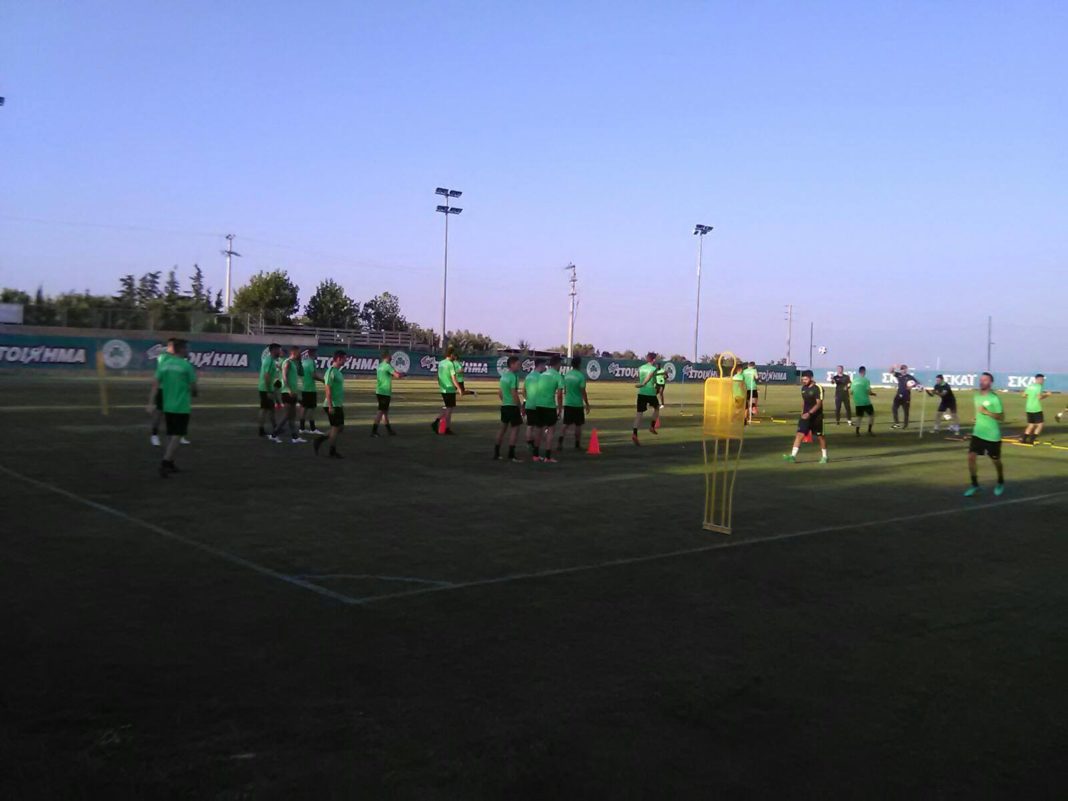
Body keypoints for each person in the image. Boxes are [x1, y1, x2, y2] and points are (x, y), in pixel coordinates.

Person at [148, 338, 197, 477]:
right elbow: (193, 387)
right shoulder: (185, 365)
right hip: (180, 405)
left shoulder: (166, 364)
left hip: (168, 402)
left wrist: (150, 402)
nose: (187, 350)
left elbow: (155, 382)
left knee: (171, 434)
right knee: (177, 435)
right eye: (186, 348)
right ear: (180, 349)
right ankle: (165, 462)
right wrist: (194, 392)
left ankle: (170, 463)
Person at [965, 372, 1005, 496]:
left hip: (992, 435)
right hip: (978, 433)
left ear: (990, 383)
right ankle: (974, 484)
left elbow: (1002, 417)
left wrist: (987, 413)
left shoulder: (994, 398)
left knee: (996, 461)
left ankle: (1000, 481)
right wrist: (976, 418)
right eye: (981, 379)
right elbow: (978, 412)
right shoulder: (976, 396)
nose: (982, 382)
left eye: (985, 380)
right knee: (971, 457)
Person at [783, 370, 828, 463]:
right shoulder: (803, 388)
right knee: (799, 434)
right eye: (803, 379)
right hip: (805, 416)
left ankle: (824, 457)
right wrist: (802, 413)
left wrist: (809, 413)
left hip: (817, 417)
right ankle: (792, 456)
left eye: (806, 379)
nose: (804, 381)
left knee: (820, 437)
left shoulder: (818, 388)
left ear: (811, 378)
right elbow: (804, 402)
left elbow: (819, 404)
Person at [314, 350, 347, 459]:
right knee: (335, 428)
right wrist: (330, 406)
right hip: (332, 404)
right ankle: (332, 451)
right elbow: (327, 389)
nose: (345, 360)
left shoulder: (338, 372)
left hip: (338, 404)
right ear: (338, 359)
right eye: (344, 358)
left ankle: (319, 440)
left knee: (340, 427)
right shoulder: (331, 371)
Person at [536, 354, 565, 463]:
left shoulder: (542, 375)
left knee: (539, 430)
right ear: (558, 364)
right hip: (549, 405)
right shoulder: (558, 376)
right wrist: (560, 409)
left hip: (538, 405)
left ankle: (535, 455)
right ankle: (547, 457)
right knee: (551, 431)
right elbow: (559, 395)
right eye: (560, 364)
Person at [494, 356, 524, 461]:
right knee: (515, 430)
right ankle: (511, 455)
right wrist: (520, 406)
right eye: (517, 364)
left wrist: (505, 401)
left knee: (502, 429)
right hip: (512, 406)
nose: (519, 366)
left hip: (505, 406)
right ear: (512, 365)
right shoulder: (513, 377)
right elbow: (514, 393)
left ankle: (496, 453)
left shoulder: (503, 376)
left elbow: (500, 392)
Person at [149, 338, 177, 446]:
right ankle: (154, 435)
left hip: (173, 388)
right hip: (163, 388)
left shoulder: (174, 356)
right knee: (159, 413)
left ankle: (174, 435)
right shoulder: (163, 356)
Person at [275, 345, 306, 443]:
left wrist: (300, 362)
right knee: (288, 415)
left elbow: (301, 374)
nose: (300, 354)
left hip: (293, 392)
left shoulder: (294, 363)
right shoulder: (287, 362)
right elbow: (284, 376)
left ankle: (295, 437)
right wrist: (289, 389)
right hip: (287, 392)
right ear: (293, 352)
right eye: (298, 352)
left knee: (292, 416)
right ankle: (274, 434)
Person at [559, 355, 591, 451]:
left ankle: (560, 442)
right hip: (577, 404)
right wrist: (587, 404)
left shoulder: (567, 375)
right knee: (578, 425)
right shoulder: (580, 376)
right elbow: (583, 392)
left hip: (568, 403)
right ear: (579, 364)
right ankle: (577, 444)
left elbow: (564, 390)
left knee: (565, 424)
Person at [372, 349, 404, 437]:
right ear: (387, 356)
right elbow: (397, 375)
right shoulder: (387, 366)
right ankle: (374, 431)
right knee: (381, 412)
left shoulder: (380, 366)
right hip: (385, 392)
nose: (391, 357)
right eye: (390, 355)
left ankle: (389, 430)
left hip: (379, 391)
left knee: (384, 412)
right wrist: (403, 374)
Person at [431, 347, 463, 434]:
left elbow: (438, 376)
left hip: (443, 388)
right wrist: (459, 388)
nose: (454, 356)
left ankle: (438, 424)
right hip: (450, 389)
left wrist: (440, 384)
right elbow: (453, 378)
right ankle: (445, 428)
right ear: (451, 354)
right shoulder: (450, 364)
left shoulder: (441, 363)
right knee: (449, 409)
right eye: (454, 354)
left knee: (447, 407)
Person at [632, 352, 661, 445]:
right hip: (650, 393)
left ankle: (634, 433)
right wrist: (643, 384)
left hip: (641, 393)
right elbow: (649, 376)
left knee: (639, 414)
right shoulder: (653, 369)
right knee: (657, 408)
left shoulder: (641, 368)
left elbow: (640, 377)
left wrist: (641, 384)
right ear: (654, 359)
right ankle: (652, 427)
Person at [257, 342, 283, 441]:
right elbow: (266, 376)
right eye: (278, 350)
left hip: (267, 388)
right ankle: (262, 430)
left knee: (270, 409)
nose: (280, 351)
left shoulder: (271, 360)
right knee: (264, 409)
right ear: (273, 350)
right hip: (265, 389)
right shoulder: (269, 360)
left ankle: (275, 428)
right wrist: (268, 391)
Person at [523, 359, 545, 455]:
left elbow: (523, 391)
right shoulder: (541, 377)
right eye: (544, 365)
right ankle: (536, 446)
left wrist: (528, 399)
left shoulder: (528, 376)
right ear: (540, 365)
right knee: (538, 427)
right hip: (538, 405)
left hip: (529, 404)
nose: (545, 367)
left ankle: (529, 443)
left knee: (530, 425)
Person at [299, 346, 322, 436]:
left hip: (304, 388)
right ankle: (313, 428)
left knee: (304, 408)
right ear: (312, 353)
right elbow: (313, 375)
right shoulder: (311, 362)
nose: (316, 354)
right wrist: (323, 380)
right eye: (315, 353)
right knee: (311, 409)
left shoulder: (304, 362)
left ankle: (302, 428)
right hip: (310, 389)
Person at [1021, 374, 1050, 444]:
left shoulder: (1030, 386)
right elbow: (1039, 397)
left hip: (1028, 408)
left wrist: (1031, 398)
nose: (1043, 381)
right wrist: (1047, 395)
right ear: (1038, 379)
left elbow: (1023, 395)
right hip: (1036, 408)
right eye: (1042, 379)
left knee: (1031, 425)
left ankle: (1024, 439)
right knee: (1040, 425)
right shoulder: (1039, 387)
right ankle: (1032, 440)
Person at [890, 363, 920, 429]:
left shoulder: (910, 377)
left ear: (906, 369)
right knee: (894, 408)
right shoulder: (898, 375)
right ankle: (897, 423)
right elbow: (891, 371)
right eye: (901, 369)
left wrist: (912, 386)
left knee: (906, 412)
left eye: (903, 369)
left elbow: (917, 383)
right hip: (898, 395)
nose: (902, 370)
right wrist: (893, 366)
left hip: (906, 396)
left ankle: (905, 425)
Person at [851, 366, 876, 437]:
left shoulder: (854, 380)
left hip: (857, 402)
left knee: (859, 417)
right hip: (865, 402)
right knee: (871, 415)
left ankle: (857, 432)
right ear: (864, 372)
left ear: (859, 372)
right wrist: (873, 394)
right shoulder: (866, 380)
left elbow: (851, 392)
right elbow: (869, 391)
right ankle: (869, 431)